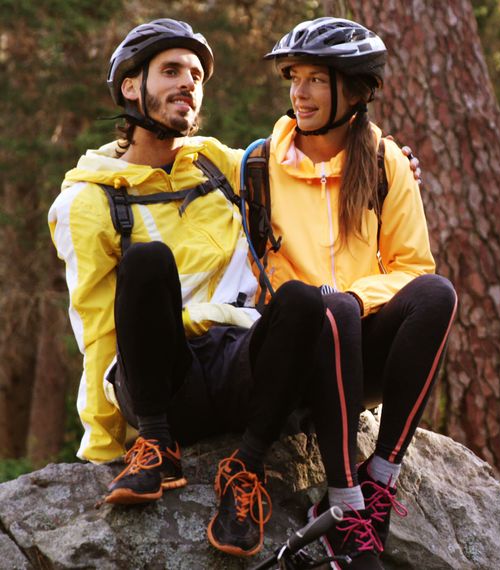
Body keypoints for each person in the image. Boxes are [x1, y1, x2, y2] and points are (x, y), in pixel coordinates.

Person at [46, 19, 409, 559]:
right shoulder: (86, 202)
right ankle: (156, 447)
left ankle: (246, 469)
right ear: (130, 86)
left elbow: (304, 166)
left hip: (241, 368)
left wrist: (385, 160)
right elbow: (97, 329)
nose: (188, 83)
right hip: (164, 382)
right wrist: (103, 447)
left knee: (302, 299)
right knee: (147, 260)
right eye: (171, 71)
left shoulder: (218, 163)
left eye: (196, 75)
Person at [258, 17, 458, 569]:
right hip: (296, 354)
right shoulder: (258, 164)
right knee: (332, 308)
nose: (299, 93)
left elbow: (413, 266)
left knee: (437, 294)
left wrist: (350, 298)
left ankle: (380, 477)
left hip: (357, 350)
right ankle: (344, 506)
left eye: (316, 80)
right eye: (294, 78)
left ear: (355, 91)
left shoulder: (386, 163)